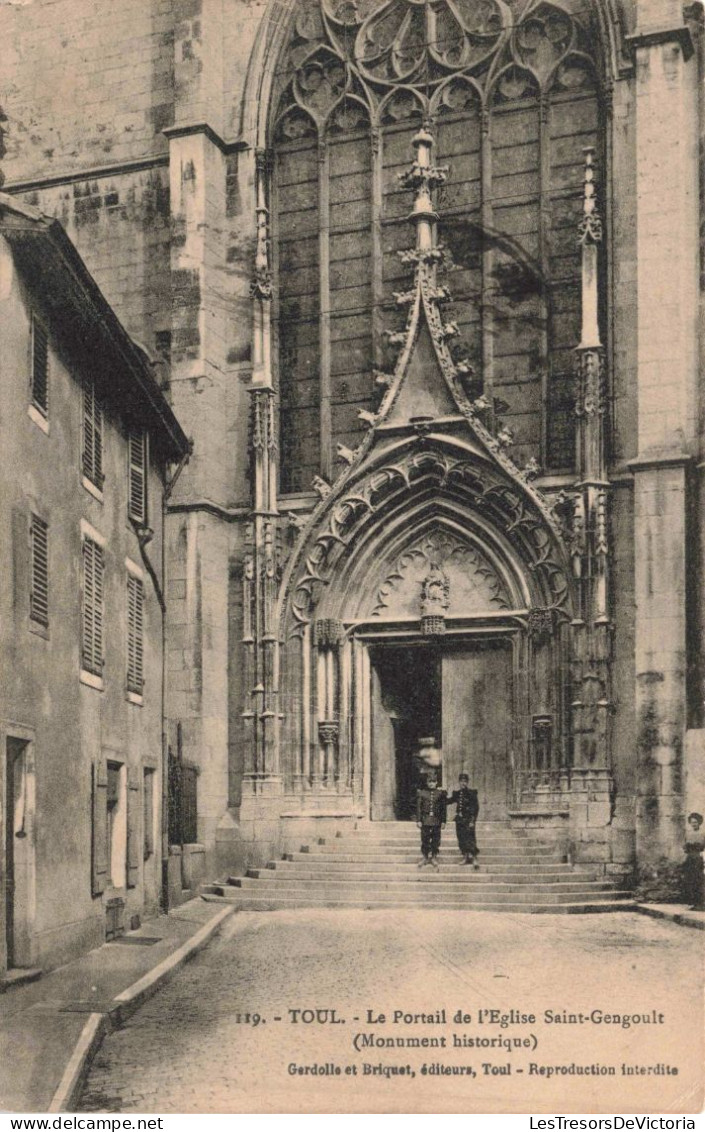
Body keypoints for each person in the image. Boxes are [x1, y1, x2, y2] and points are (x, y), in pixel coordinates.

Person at [447, 773, 480, 867]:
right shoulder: (457, 793)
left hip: (468, 820)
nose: (463, 783)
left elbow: (475, 808)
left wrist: (472, 821)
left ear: (467, 782)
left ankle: (474, 858)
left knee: (470, 838)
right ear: (459, 782)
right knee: (461, 838)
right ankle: (465, 857)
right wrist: (441, 797)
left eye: (465, 781)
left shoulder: (472, 793)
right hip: (460, 820)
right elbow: (449, 801)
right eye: (461, 781)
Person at [416, 770, 446, 870]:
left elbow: (443, 808)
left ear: (436, 782)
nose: (431, 783)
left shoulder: (440, 793)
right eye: (429, 781)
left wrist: (443, 821)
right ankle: (425, 857)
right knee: (425, 839)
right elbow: (419, 808)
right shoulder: (422, 793)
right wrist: (419, 820)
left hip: (436, 820)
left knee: (436, 839)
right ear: (427, 782)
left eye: (433, 781)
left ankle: (433, 857)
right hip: (425, 819)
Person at [682, 812, 705, 911]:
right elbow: (685, 847)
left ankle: (701, 903)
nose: (694, 824)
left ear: (699, 822)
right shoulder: (688, 834)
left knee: (698, 880)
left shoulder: (703, 834)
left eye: (695, 822)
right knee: (690, 880)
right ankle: (694, 903)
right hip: (690, 859)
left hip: (698, 858)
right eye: (692, 822)